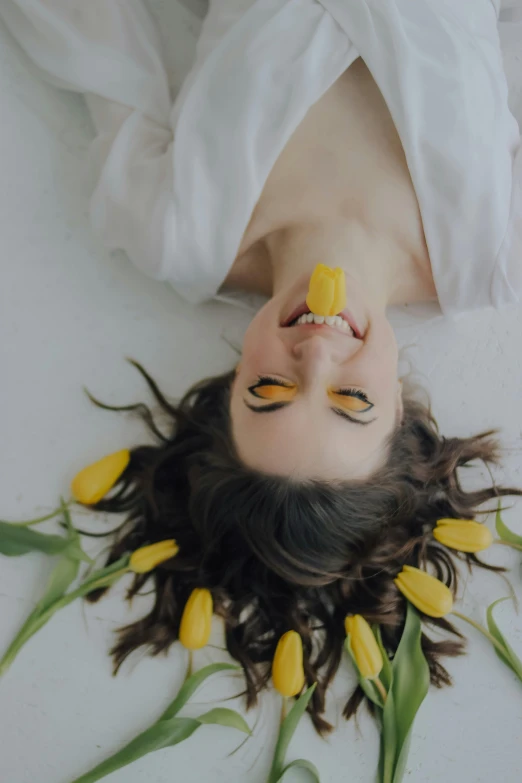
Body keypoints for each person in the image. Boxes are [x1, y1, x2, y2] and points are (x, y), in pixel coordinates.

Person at [2, 0, 521, 731]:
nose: (315, 352)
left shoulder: (176, 230)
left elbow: (89, 31)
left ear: (229, 384)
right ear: (402, 416)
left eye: (270, 388)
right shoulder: (493, 249)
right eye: (350, 399)